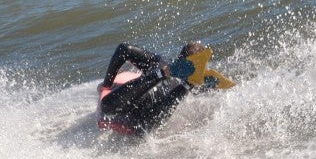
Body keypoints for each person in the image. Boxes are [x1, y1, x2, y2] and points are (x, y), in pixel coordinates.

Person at [98, 41, 234, 134]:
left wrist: (106, 86)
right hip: (141, 119)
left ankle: (164, 75)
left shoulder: (161, 62)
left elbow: (124, 48)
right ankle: (188, 83)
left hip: (125, 104)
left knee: (107, 106)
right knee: (145, 124)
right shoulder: (192, 87)